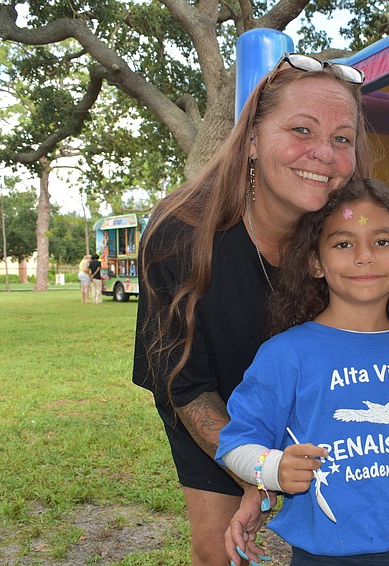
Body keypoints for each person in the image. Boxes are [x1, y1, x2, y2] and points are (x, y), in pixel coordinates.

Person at [133, 53, 373, 565]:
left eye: (342, 138)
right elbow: (185, 383)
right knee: (221, 552)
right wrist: (255, 473)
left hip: (310, 401)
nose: (324, 154)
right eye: (302, 130)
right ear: (252, 141)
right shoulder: (181, 233)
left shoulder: (350, 237)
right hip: (210, 396)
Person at [216, 179, 389, 566]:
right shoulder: (286, 355)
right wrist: (274, 470)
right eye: (343, 244)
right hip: (327, 556)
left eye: (383, 242)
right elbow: (234, 444)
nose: (364, 257)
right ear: (315, 262)